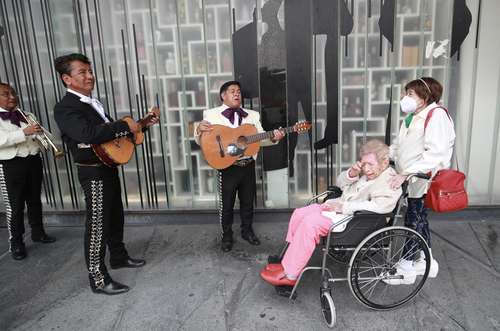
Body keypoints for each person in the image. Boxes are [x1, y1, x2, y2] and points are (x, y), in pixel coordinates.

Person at [53, 53, 159, 295]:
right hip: (92, 173)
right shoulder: (66, 107)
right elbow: (88, 134)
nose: (90, 76)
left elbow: (111, 137)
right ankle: (98, 279)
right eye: (83, 72)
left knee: (115, 217)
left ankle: (118, 257)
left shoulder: (93, 103)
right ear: (67, 78)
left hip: (107, 167)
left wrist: (142, 125)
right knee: (98, 224)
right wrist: (125, 124)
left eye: (90, 71)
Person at [260, 140, 401, 286]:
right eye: (363, 164)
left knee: (310, 224)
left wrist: (344, 207)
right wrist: (352, 173)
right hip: (339, 209)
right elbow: (340, 184)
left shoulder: (389, 181)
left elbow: (382, 207)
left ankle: (290, 275)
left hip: (354, 220)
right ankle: (287, 261)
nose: (366, 169)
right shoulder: (368, 173)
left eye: (370, 164)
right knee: (299, 214)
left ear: (384, 163)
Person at [195, 81, 284, 252]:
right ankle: (226, 235)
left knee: (248, 202)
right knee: (226, 204)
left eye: (239, 92)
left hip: (248, 165)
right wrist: (198, 129)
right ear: (223, 95)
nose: (237, 94)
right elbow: (201, 140)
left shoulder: (252, 115)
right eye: (232, 91)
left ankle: (247, 231)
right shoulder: (211, 114)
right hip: (227, 167)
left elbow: (259, 139)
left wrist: (274, 137)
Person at [386, 77, 455, 284]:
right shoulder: (411, 117)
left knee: (413, 220)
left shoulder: (436, 116)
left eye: (410, 94)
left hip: (423, 178)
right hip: (409, 177)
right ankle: (427, 260)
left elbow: (435, 153)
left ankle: (406, 268)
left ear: (424, 97)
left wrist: (408, 173)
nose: (404, 98)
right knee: (419, 217)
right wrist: (383, 156)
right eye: (405, 93)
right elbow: (399, 146)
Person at [0, 83, 56, 260]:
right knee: (15, 206)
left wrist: (40, 133)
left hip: (33, 160)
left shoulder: (26, 115)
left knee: (34, 200)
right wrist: (24, 132)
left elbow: (45, 137)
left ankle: (38, 233)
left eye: (13, 93)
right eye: (5, 94)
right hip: (11, 164)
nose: (12, 97)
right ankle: (16, 243)